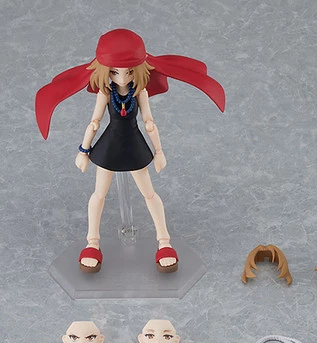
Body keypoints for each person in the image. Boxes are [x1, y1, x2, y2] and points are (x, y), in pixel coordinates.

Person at [36, 29, 225, 273]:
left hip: (134, 146)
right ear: (105, 70)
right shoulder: (106, 93)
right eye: (114, 72)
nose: (122, 77)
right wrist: (83, 151)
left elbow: (150, 123)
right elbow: (94, 122)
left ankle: (164, 242)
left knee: (149, 194)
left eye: (129, 71)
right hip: (109, 147)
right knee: (99, 195)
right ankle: (92, 243)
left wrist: (159, 151)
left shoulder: (140, 92)